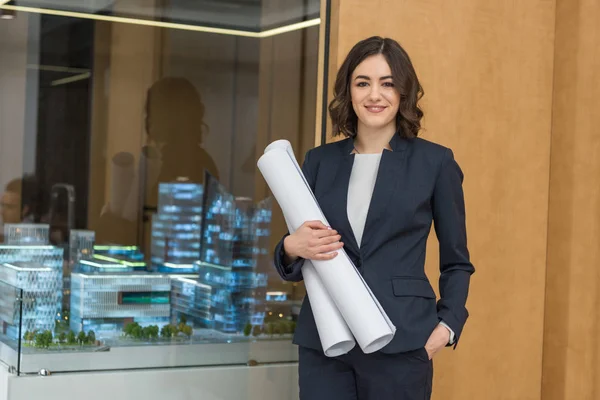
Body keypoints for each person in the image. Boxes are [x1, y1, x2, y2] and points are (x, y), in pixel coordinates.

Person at [273, 36, 475, 400]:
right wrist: (290, 247)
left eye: (387, 83)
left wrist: (447, 326)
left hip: (402, 340)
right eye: (362, 83)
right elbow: (298, 249)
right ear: (348, 92)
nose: (374, 95)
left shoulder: (435, 163)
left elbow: (457, 261)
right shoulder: (319, 161)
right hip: (326, 341)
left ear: (403, 93)